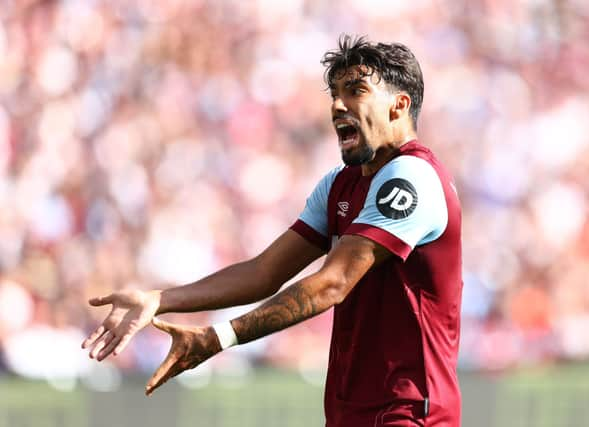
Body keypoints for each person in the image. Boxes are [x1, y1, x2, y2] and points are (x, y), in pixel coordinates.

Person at [82, 35, 463, 427]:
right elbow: (264, 272)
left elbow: (332, 283)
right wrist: (159, 299)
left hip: (410, 415)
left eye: (356, 91)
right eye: (334, 93)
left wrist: (219, 338)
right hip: (352, 414)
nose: (337, 105)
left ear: (399, 105)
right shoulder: (340, 184)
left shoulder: (412, 176)